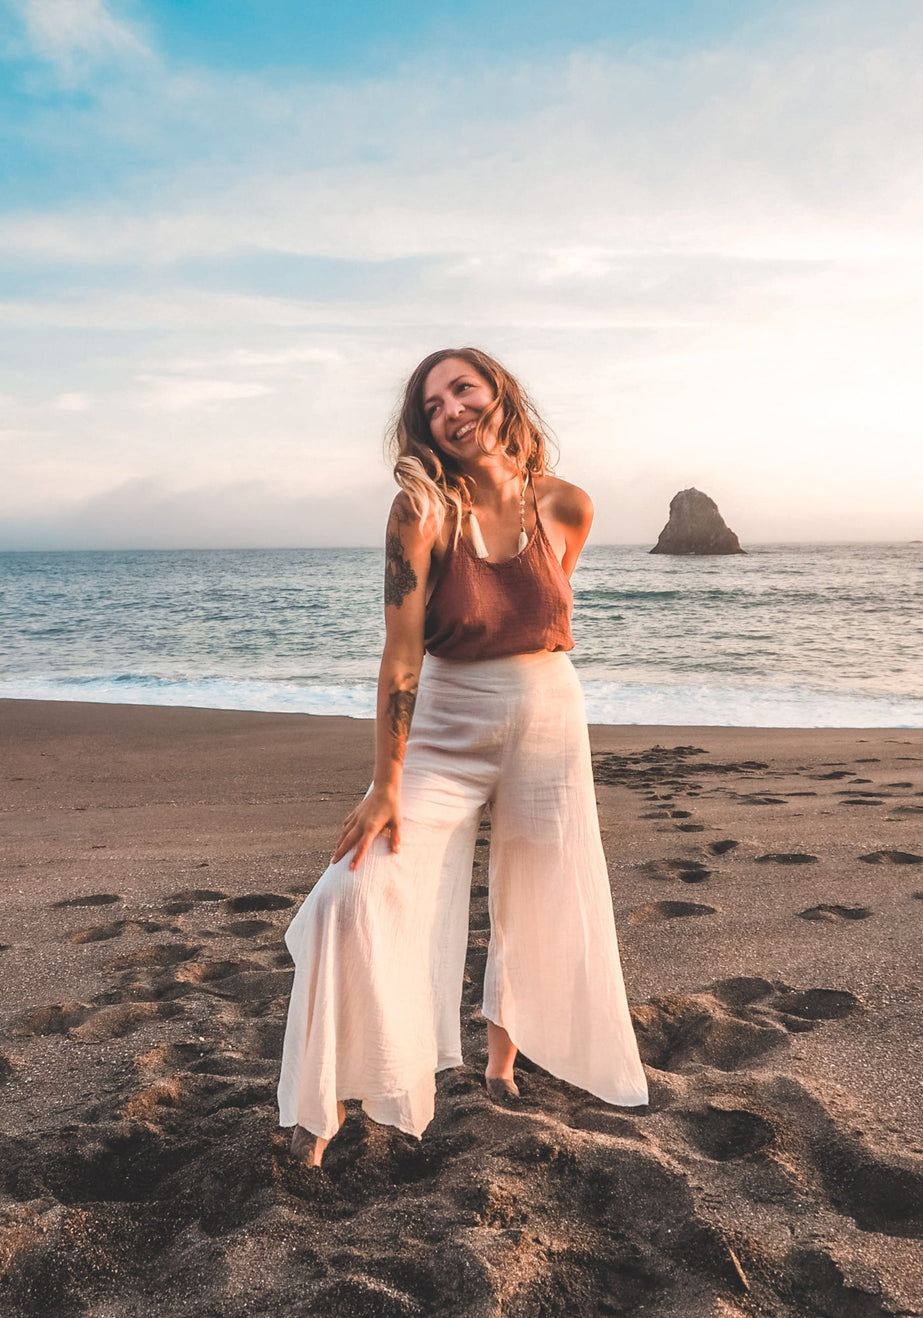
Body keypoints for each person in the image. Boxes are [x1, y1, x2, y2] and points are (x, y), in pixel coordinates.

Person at [278, 348, 648, 1166]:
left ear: (499, 394)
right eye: (433, 402)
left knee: (540, 890)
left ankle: (502, 1065)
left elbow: (539, 618)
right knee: (357, 888)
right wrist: (385, 783)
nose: (451, 408)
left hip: (549, 718)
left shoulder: (568, 507)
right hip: (445, 723)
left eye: (463, 389)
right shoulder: (420, 511)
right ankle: (323, 1109)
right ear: (425, 427)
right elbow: (401, 656)